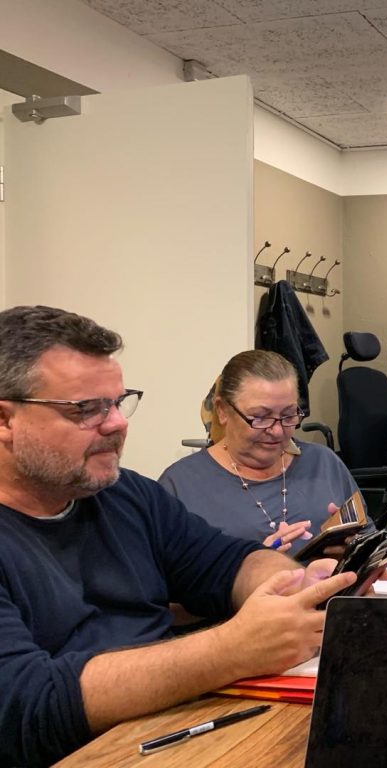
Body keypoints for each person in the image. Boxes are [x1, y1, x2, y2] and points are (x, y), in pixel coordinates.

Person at [0, 306, 355, 767]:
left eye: (117, 401)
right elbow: (27, 704)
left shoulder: (125, 494)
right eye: (86, 409)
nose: (117, 423)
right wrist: (230, 650)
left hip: (170, 729)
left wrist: (293, 586)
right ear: (6, 420)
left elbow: (228, 562)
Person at [159, 350, 372, 554]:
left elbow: (369, 538)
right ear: (223, 410)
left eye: (289, 415)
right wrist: (250, 567)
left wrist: (354, 547)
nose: (277, 430)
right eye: (260, 417)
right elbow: (165, 579)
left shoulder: (323, 463)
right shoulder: (181, 485)